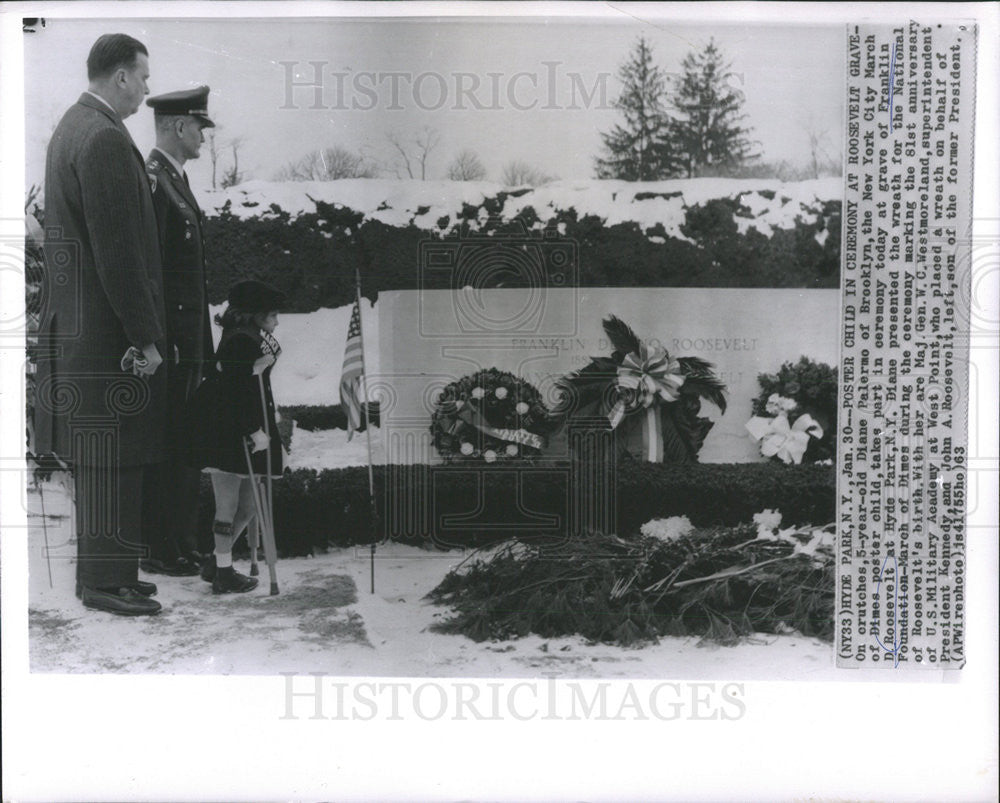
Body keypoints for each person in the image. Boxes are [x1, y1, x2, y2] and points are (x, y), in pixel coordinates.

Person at [34, 34, 166, 616]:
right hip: (109, 335)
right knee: (113, 455)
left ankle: (108, 575)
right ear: (118, 77)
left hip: (80, 329)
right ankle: (107, 584)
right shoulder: (106, 139)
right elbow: (118, 254)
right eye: (142, 77)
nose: (145, 89)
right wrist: (145, 336)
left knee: (102, 457)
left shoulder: (72, 126)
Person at [139, 87, 216, 577]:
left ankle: (179, 543)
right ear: (176, 127)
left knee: (183, 441)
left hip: (188, 340)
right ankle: (160, 548)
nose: (204, 138)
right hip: (170, 341)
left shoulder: (176, 181)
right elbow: (150, 270)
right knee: (167, 443)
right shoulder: (153, 181)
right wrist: (160, 337)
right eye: (199, 128)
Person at [183, 280, 285, 594]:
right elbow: (235, 393)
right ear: (255, 314)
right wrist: (253, 429)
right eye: (272, 314)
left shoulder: (250, 338)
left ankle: (216, 561)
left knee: (250, 506)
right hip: (226, 431)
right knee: (226, 506)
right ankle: (224, 574)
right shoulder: (240, 341)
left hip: (244, 427)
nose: (277, 320)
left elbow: (252, 386)